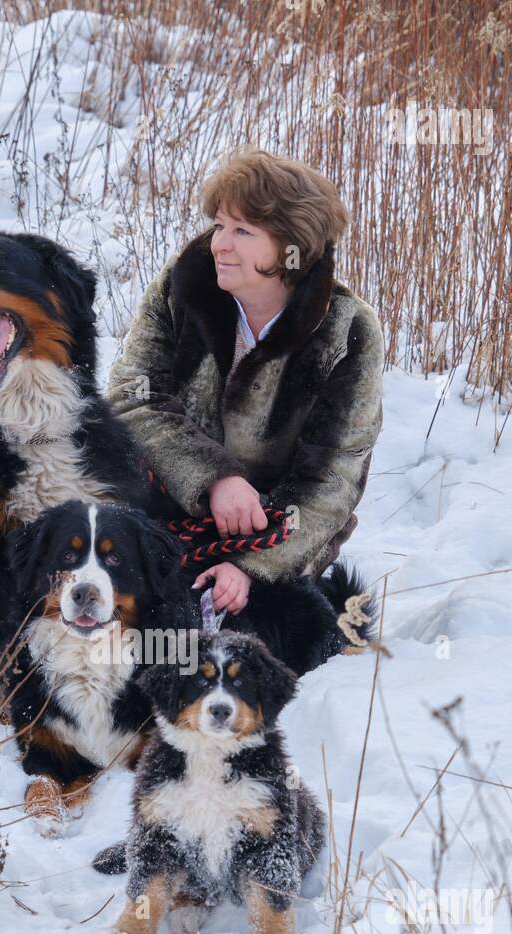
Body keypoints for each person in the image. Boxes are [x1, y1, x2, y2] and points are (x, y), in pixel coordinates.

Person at [105, 146, 384, 618]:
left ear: (290, 246)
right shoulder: (181, 288)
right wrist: (215, 478)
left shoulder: (347, 329)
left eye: (242, 231)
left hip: (275, 528)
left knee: (255, 633)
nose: (219, 244)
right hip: (159, 510)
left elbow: (335, 475)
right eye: (219, 226)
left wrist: (250, 564)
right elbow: (132, 398)